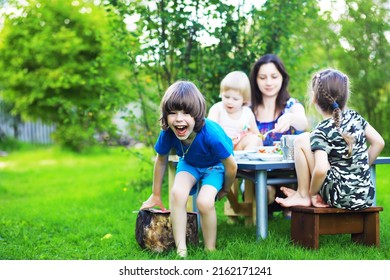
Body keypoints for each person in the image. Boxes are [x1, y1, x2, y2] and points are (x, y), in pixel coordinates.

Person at [140, 81, 237, 258]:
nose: (179, 118)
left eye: (186, 112)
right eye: (173, 113)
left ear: (197, 115)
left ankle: (210, 248)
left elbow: (231, 165)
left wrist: (225, 188)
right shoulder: (168, 133)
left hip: (214, 166)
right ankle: (181, 250)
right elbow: (161, 160)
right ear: (165, 115)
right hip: (189, 162)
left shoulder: (211, 135)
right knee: (177, 193)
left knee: (205, 202)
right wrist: (155, 194)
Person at [275, 69, 385, 210]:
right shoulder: (356, 118)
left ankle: (303, 195)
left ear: (314, 98)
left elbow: (321, 170)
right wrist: (360, 168)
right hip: (366, 195)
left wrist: (312, 192)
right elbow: (379, 143)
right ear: (345, 96)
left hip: (339, 196)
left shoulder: (321, 130)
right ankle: (302, 194)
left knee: (302, 139)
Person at [249, 54, 309, 215]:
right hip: (257, 175)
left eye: (274, 76)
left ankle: (288, 203)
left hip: (290, 173)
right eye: (263, 77)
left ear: (282, 78)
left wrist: (290, 118)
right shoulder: (248, 110)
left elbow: (303, 123)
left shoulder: (291, 105)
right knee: (264, 191)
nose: (269, 82)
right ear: (255, 79)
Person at [208, 71, 262, 150]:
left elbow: (257, 134)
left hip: (238, 148)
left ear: (244, 99)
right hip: (220, 148)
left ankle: (246, 161)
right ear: (221, 93)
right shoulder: (217, 109)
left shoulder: (247, 113)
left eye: (235, 99)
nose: (230, 102)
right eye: (226, 97)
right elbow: (210, 130)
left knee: (256, 138)